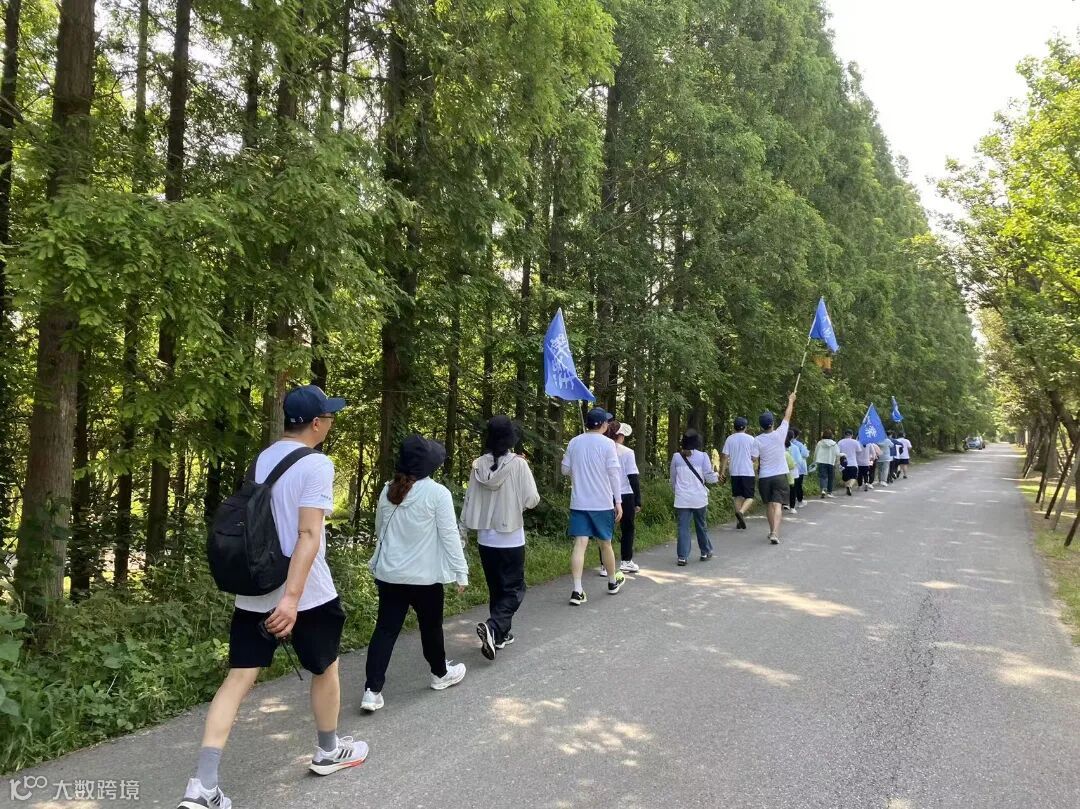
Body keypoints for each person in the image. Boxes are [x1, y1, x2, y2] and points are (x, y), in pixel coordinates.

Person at [179, 385, 366, 809]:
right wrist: (291, 600)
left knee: (237, 679)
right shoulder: (317, 464)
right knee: (326, 667)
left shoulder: (262, 459)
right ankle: (328, 750)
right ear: (316, 423)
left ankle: (202, 786)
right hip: (307, 593)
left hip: (255, 588)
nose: (330, 423)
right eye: (329, 417)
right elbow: (308, 534)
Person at [361, 435, 470, 712]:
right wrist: (461, 572)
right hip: (425, 577)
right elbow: (449, 535)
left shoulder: (388, 490)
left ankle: (372, 691)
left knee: (385, 630)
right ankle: (439, 674)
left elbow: (379, 530)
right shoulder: (437, 493)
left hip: (390, 575)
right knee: (430, 626)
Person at [460, 416, 540, 662]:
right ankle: (493, 628)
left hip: (485, 536)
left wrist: (463, 533)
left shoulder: (478, 466)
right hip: (511, 536)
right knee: (515, 588)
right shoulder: (519, 465)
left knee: (496, 587)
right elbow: (532, 499)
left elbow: (470, 500)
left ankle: (501, 635)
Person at [562, 407, 626, 606]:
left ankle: (577, 590)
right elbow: (614, 473)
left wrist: (578, 468)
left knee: (580, 544)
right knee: (605, 544)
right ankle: (612, 582)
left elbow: (564, 470)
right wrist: (618, 501)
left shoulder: (574, 442)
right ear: (603, 425)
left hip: (579, 502)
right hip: (602, 503)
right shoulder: (608, 444)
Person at [670, 429, 720, 564]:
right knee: (701, 525)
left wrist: (677, 492)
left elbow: (673, 479)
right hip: (699, 498)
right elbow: (709, 478)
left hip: (682, 498)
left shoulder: (676, 457)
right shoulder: (703, 456)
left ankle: (682, 556)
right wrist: (717, 475)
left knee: (683, 527)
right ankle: (705, 551)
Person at [755, 391, 797, 545]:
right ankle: (775, 533)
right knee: (777, 504)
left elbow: (754, 459)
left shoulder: (757, 440)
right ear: (772, 423)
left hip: (765, 477)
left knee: (769, 505)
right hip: (780, 476)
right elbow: (787, 416)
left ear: (761, 425)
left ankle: (771, 530)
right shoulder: (780, 433)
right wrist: (791, 400)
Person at [612, 422, 643, 572]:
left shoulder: (601, 450)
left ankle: (605, 564)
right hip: (625, 494)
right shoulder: (627, 452)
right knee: (628, 528)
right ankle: (626, 560)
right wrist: (638, 500)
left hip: (607, 493)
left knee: (606, 530)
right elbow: (633, 477)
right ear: (620, 436)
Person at [719, 416, 759, 529]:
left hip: (734, 471)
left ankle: (738, 521)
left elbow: (725, 456)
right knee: (749, 497)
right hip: (747, 472)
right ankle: (741, 512)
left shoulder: (730, 439)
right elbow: (754, 457)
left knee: (737, 496)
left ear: (734, 427)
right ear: (745, 427)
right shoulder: (751, 439)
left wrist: (722, 472)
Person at [814, 429, 839, 498]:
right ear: (831, 435)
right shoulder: (834, 444)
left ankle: (823, 490)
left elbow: (816, 452)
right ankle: (829, 492)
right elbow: (837, 453)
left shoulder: (820, 443)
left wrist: (815, 461)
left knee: (823, 476)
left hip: (821, 461)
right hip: (831, 462)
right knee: (831, 477)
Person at [837, 429, 862, 496]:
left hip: (843, 463)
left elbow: (837, 452)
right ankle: (849, 486)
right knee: (853, 477)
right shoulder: (855, 442)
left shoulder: (840, 442)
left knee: (845, 478)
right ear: (852, 435)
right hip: (853, 463)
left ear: (844, 435)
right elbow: (859, 451)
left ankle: (847, 488)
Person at [785, 430, 805, 514]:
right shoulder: (795, 447)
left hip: (781, 470)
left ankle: (784, 503)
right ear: (793, 437)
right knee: (793, 488)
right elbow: (799, 461)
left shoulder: (779, 446)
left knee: (783, 487)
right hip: (793, 470)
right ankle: (792, 507)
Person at [790, 428, 810, 507]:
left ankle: (788, 502)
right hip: (799, 467)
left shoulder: (784, 443)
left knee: (790, 485)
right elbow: (805, 454)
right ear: (797, 435)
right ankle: (800, 501)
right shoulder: (800, 444)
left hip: (788, 467)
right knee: (798, 485)